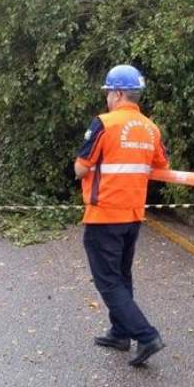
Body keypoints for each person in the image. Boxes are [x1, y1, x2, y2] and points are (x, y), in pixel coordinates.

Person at [74, 64, 170, 367]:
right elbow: (162, 166)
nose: (106, 99)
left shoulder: (104, 124)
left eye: (107, 93)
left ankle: (146, 335)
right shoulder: (151, 128)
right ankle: (119, 333)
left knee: (108, 281)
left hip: (104, 214)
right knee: (121, 276)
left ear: (117, 93)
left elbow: (80, 168)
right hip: (132, 215)